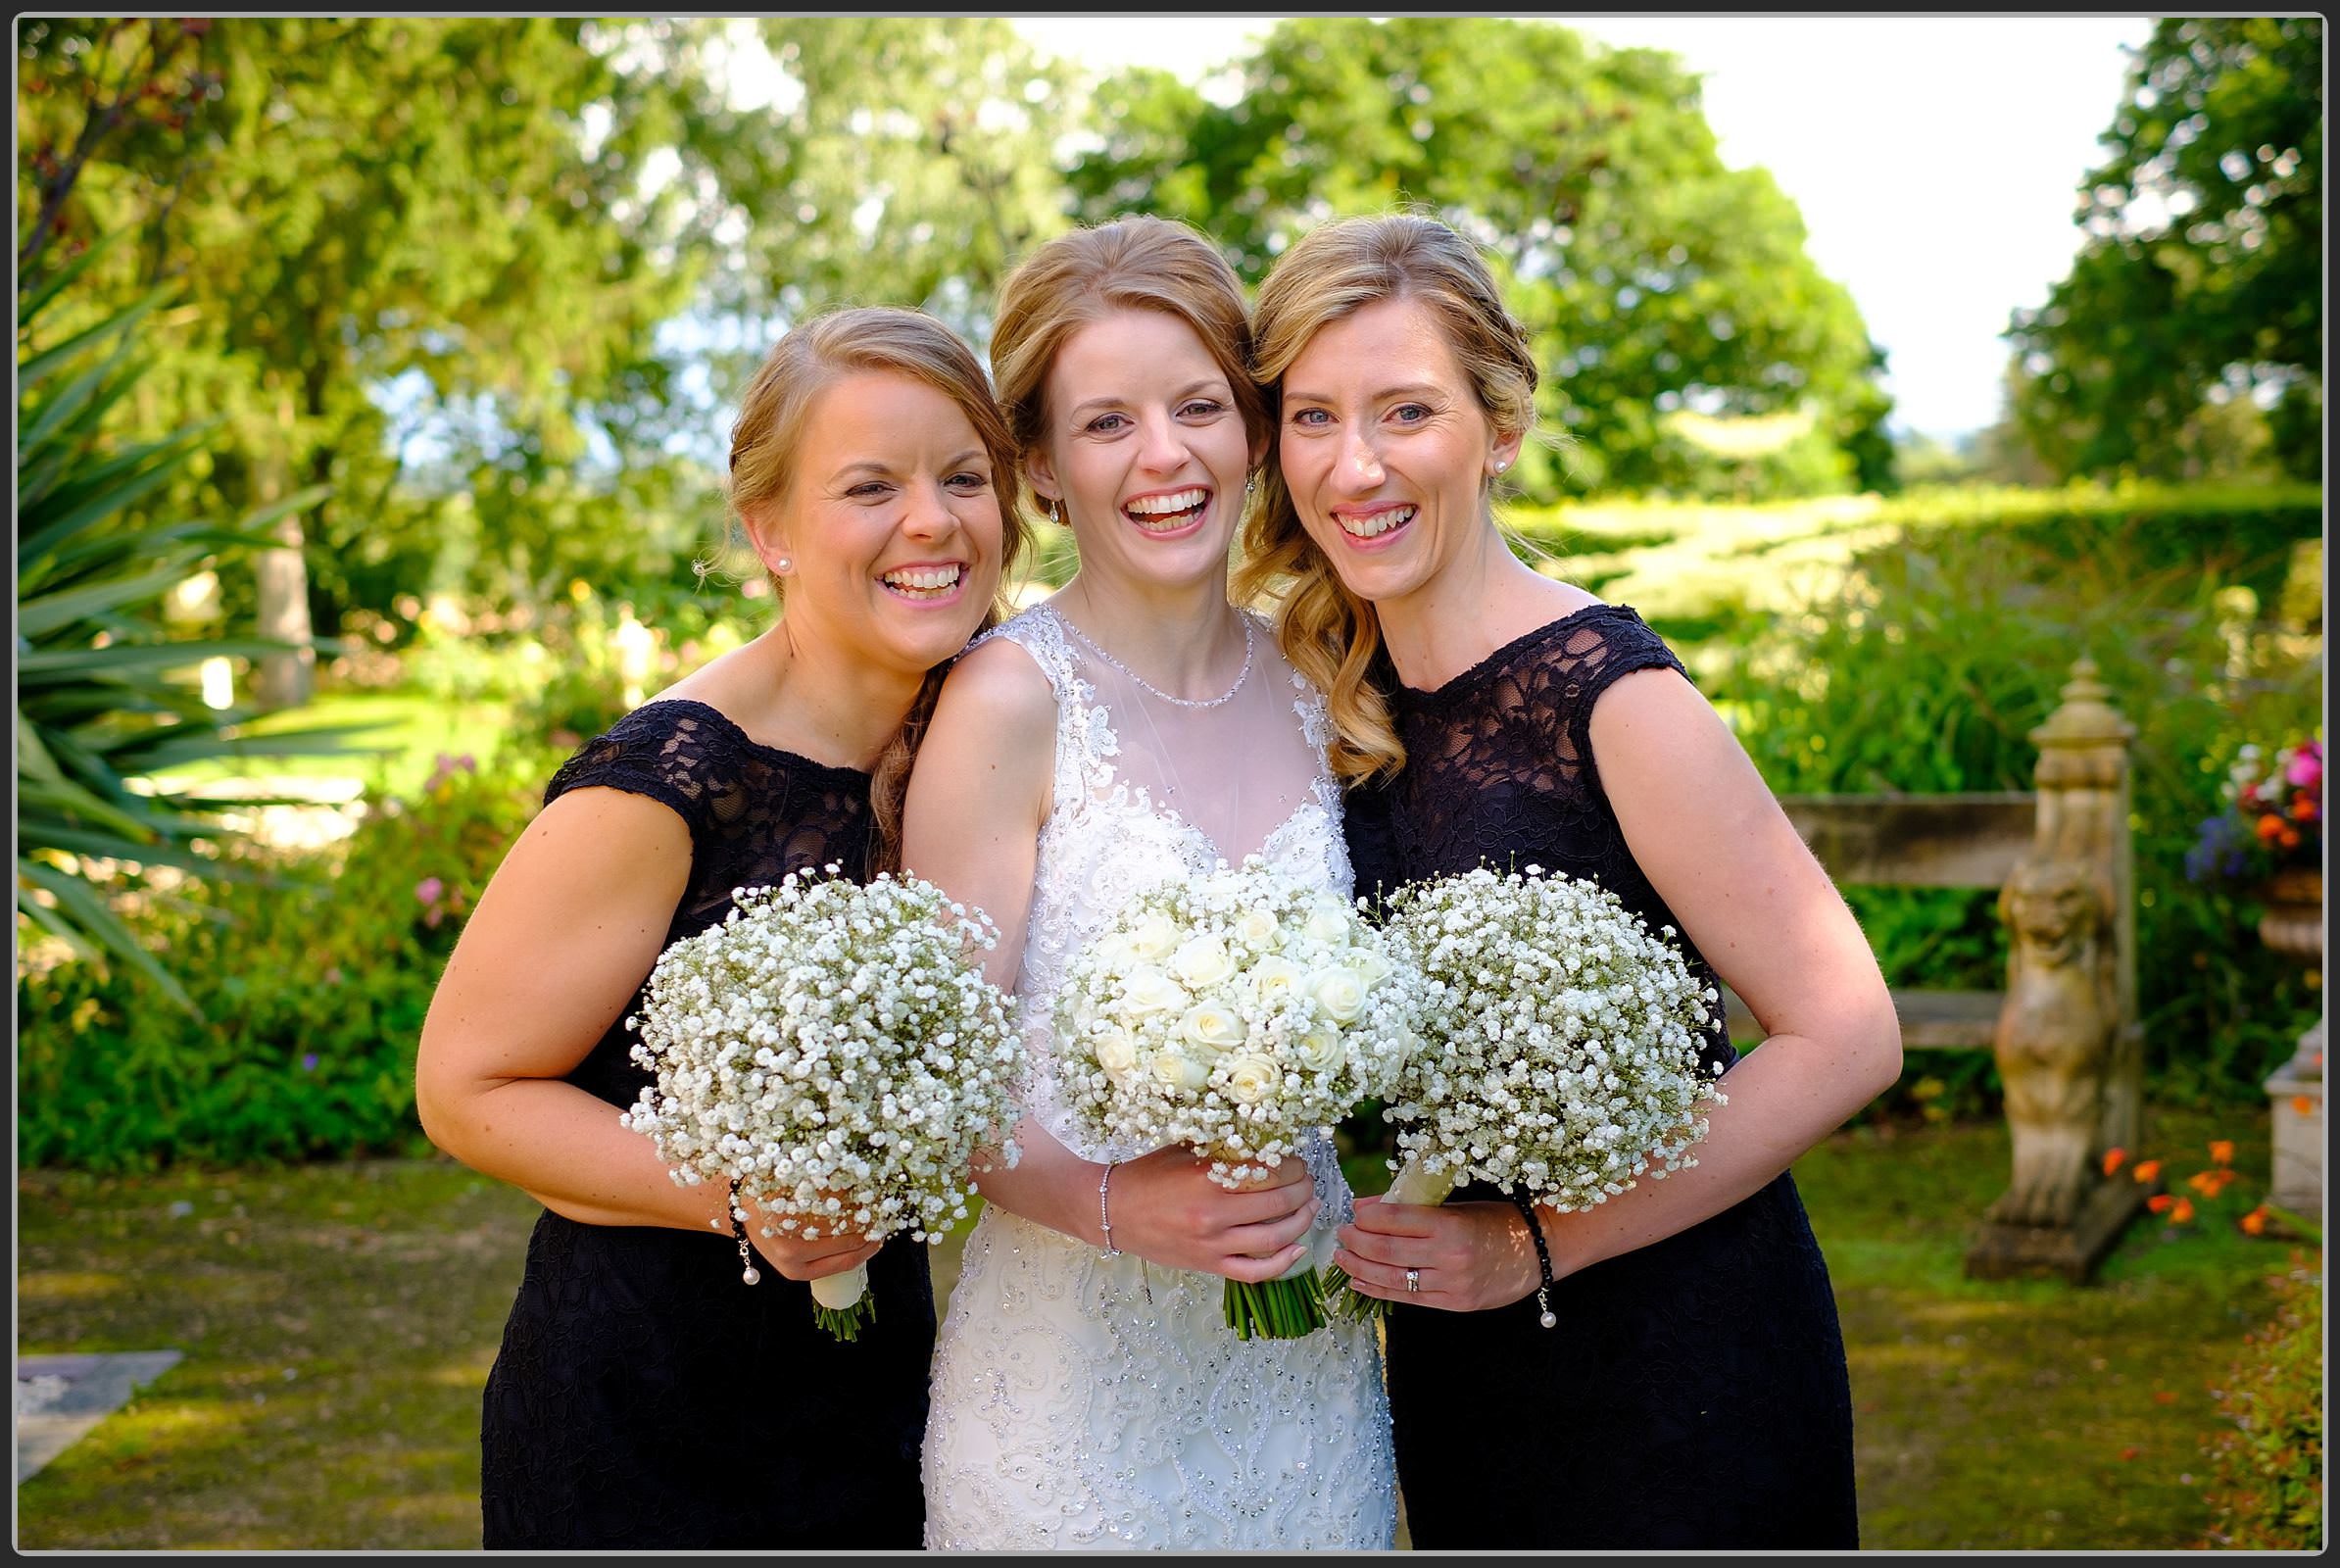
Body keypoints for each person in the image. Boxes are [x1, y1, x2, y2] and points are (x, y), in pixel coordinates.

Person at [1239, 211, 1903, 1550]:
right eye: (1312, 417)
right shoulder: (1324, 705)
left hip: (1679, 1356)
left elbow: (1849, 1034)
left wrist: (1541, 1241)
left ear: (1499, 428)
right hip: (1461, 1366)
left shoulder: (1607, 692)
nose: (1354, 466)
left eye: (1405, 412)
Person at [414, 305, 1027, 1549]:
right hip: (642, 1425)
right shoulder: (672, 780)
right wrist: (747, 1197)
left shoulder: (986, 727)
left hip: (883, 1412)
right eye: (870, 486)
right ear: (769, 530)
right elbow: (466, 1087)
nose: (931, 520)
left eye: (963, 476)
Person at [902, 215, 1398, 1550]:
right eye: (1107, 422)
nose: (1165, 455)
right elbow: (938, 1074)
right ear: (1045, 470)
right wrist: (1116, 1204)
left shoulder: (1322, 682)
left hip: (1307, 1399)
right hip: (1074, 1409)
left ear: (1251, 431)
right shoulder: (1010, 699)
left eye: (1197, 407)